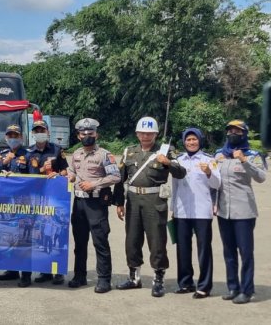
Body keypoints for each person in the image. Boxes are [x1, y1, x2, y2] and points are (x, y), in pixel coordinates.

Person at [114, 116, 186, 297]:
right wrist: (118, 202)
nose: (146, 136)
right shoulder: (129, 152)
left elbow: (181, 173)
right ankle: (134, 278)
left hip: (155, 201)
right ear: (137, 134)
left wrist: (168, 162)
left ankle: (158, 279)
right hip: (132, 200)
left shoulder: (166, 151)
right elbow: (119, 178)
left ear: (156, 134)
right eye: (142, 133)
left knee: (157, 241)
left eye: (150, 133)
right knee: (132, 240)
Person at [0, 121, 70, 287]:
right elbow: (28, 174)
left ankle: (56, 272)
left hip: (52, 198)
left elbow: (65, 171)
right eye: (36, 130)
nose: (39, 133)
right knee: (28, 236)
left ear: (47, 132)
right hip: (32, 200)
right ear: (32, 133)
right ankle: (25, 271)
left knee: (53, 235)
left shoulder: (57, 150)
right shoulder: (29, 152)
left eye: (42, 130)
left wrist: (58, 174)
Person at [214, 120, 267, 304]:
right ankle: (233, 287)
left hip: (244, 211)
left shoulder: (253, 154)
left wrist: (244, 161)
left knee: (245, 252)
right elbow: (215, 182)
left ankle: (247, 290)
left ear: (244, 133)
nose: (232, 133)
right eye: (230, 131)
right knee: (229, 252)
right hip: (223, 211)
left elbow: (261, 177)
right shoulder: (220, 154)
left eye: (237, 131)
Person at [67, 118, 120, 293]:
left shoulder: (105, 154)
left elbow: (115, 177)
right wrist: (70, 176)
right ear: (78, 135)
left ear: (96, 134)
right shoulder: (76, 154)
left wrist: (94, 184)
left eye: (90, 133)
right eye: (83, 133)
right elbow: (72, 171)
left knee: (100, 241)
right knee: (80, 242)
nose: (87, 136)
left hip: (96, 203)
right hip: (79, 202)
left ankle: (104, 279)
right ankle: (79, 276)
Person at [171, 127, 220, 299]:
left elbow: (216, 184)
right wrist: (173, 208)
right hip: (182, 211)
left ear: (200, 140)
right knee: (183, 249)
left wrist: (208, 172)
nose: (191, 142)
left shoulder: (209, 159)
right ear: (184, 142)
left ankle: (204, 286)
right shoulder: (178, 160)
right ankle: (185, 283)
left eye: (194, 139)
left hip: (201, 211)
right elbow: (175, 186)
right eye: (188, 140)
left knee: (204, 249)